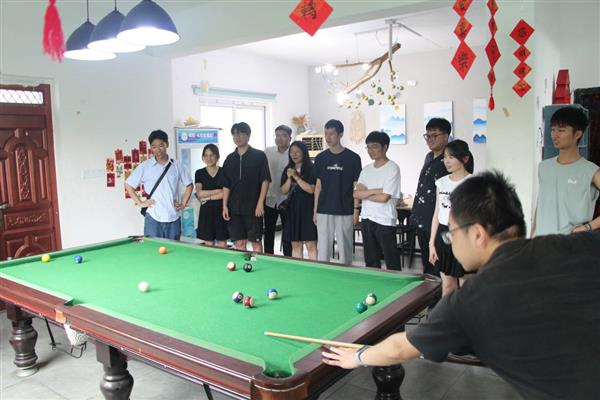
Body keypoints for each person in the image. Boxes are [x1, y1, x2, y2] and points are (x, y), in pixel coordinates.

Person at [322, 171, 600, 400]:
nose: (451, 243)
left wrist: (357, 356)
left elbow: (401, 348)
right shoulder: (567, 245)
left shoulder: (472, 299)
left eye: (451, 234)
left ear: (477, 234)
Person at [532, 106, 600, 236]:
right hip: (542, 242)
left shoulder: (590, 171)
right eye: (553, 130)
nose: (555, 135)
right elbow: (541, 204)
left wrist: (588, 227)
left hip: (572, 244)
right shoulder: (544, 167)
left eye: (561, 130)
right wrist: (531, 237)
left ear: (578, 134)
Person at [125, 129, 193, 240]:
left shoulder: (176, 165)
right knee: (152, 249)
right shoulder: (145, 166)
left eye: (161, 145)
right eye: (154, 147)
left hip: (173, 217)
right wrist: (140, 203)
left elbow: (189, 185)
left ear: (167, 144)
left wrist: (183, 203)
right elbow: (128, 185)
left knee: (174, 248)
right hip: (153, 217)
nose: (157, 150)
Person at [313, 119, 362, 265]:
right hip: (324, 209)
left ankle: (346, 274)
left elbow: (356, 186)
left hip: (345, 209)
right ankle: (324, 273)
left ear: (340, 134)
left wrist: (356, 210)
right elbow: (318, 186)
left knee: (345, 248)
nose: (328, 137)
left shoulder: (353, 158)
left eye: (331, 134)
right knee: (323, 248)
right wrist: (315, 210)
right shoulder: (320, 158)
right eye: (326, 134)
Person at [429, 139, 473, 296]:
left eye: (451, 157)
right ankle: (447, 313)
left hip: (464, 234)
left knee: (466, 286)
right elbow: (436, 214)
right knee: (447, 287)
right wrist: (431, 244)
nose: (446, 161)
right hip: (443, 234)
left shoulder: (473, 182)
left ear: (465, 159)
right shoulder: (441, 183)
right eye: (445, 157)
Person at [353, 131, 402, 270]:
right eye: (368, 147)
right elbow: (356, 193)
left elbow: (384, 198)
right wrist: (376, 190)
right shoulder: (366, 169)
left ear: (385, 147)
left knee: (391, 260)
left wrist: (366, 194)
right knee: (371, 260)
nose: (370, 150)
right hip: (367, 218)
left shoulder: (392, 168)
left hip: (385, 219)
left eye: (374, 146)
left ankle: (396, 283)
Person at [410, 118, 451, 276]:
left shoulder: (450, 159)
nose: (429, 139)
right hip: (422, 217)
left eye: (434, 135)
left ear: (446, 136)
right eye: (427, 135)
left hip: (439, 219)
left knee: (440, 263)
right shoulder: (429, 157)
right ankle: (428, 289)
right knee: (427, 261)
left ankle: (440, 291)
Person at [222, 122, 271, 252]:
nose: (237, 137)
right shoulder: (229, 159)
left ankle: (255, 262)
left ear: (248, 135)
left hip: (253, 208)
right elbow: (226, 185)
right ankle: (244, 262)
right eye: (234, 134)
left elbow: (265, 181)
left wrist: (260, 203)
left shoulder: (259, 156)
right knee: (239, 242)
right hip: (234, 209)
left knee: (255, 242)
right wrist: (224, 205)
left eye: (240, 134)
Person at [280, 141, 318, 259]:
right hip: (293, 210)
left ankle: (313, 268)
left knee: (311, 244)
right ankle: (298, 268)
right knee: (295, 244)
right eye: (292, 152)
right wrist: (289, 177)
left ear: (304, 153)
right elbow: (283, 190)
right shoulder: (288, 169)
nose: (294, 154)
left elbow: (311, 190)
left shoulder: (311, 168)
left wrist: (296, 177)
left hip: (308, 209)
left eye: (297, 152)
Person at [264, 125, 293, 256]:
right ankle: (269, 257)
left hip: (287, 200)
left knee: (287, 231)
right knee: (269, 230)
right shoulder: (268, 152)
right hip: (270, 198)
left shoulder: (294, 153)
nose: (279, 138)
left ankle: (288, 258)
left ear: (290, 138)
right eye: (277, 135)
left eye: (283, 136)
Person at [194, 144, 227, 248]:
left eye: (212, 155)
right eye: (206, 155)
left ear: (217, 156)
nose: (209, 158)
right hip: (206, 212)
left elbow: (225, 193)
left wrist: (208, 197)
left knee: (222, 243)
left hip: (221, 211)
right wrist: (218, 191)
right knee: (208, 243)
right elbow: (200, 194)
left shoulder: (224, 172)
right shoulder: (199, 173)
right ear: (203, 157)